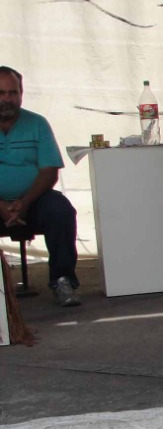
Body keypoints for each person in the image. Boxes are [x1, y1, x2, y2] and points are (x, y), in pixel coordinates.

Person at [0, 66, 80, 307]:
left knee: (61, 210)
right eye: (0, 93)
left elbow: (49, 171)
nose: (7, 99)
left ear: (21, 94)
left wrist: (24, 204)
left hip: (33, 201)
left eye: (12, 93)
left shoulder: (37, 123)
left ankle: (62, 279)